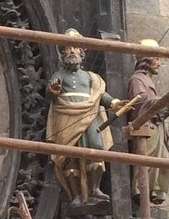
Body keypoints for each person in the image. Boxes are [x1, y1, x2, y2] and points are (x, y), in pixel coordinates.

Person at [46, 29, 124, 205]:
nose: (72, 51)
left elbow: (99, 95)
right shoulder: (59, 75)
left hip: (89, 115)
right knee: (68, 156)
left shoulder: (90, 77)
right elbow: (50, 92)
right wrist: (53, 91)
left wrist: (114, 103)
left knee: (95, 147)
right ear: (63, 52)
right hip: (67, 116)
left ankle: (95, 188)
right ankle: (76, 195)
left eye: (76, 47)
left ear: (82, 53)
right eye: (68, 48)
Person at [127, 39, 169, 204]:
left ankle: (157, 191)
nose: (159, 64)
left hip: (157, 126)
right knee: (147, 160)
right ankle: (142, 190)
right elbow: (139, 102)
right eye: (157, 59)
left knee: (164, 162)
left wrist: (167, 107)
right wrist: (161, 102)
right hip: (146, 127)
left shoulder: (147, 80)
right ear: (147, 59)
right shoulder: (137, 79)